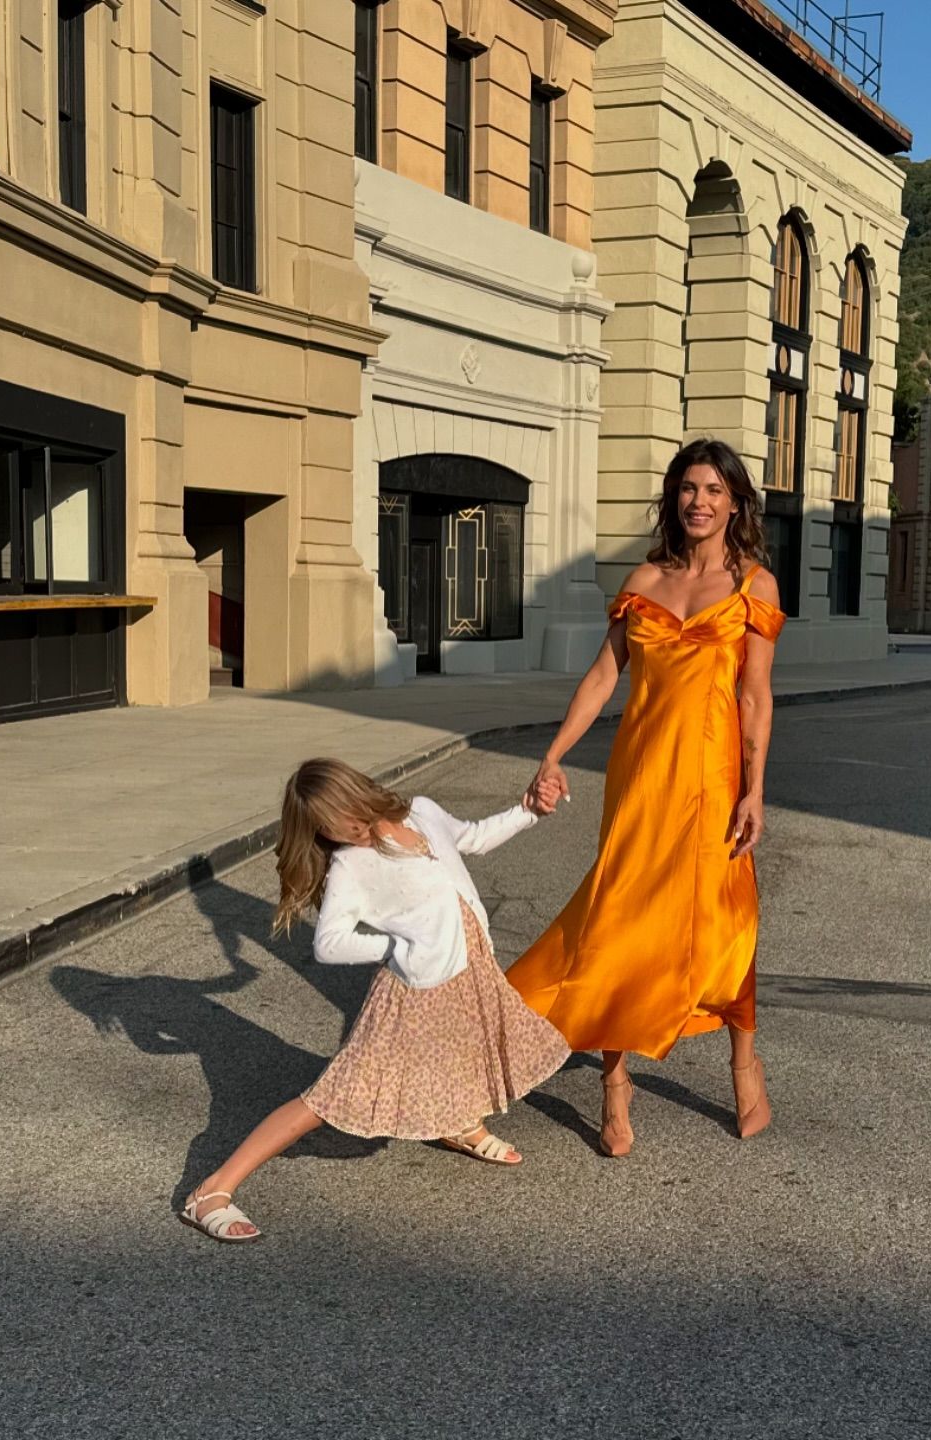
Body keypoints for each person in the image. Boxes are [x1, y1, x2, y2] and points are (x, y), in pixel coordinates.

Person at [505, 437, 785, 1157]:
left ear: (735, 502)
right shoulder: (643, 581)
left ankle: (743, 1064)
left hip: (715, 782)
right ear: (673, 499)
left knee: (729, 926)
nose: (700, 502)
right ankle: (615, 1083)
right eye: (689, 489)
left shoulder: (755, 586)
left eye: (715, 491)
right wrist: (554, 754)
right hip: (642, 783)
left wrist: (755, 790)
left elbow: (755, 698)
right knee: (620, 926)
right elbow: (603, 676)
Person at [180, 759, 569, 1243]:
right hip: (411, 990)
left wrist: (528, 811)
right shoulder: (349, 864)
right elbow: (329, 942)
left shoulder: (421, 813)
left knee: (465, 1045)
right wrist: (398, 947)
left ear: (359, 793)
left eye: (346, 815)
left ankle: (458, 1122)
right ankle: (213, 1190)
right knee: (331, 1097)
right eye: (328, 827)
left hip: (469, 967)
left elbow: (472, 837)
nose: (345, 830)